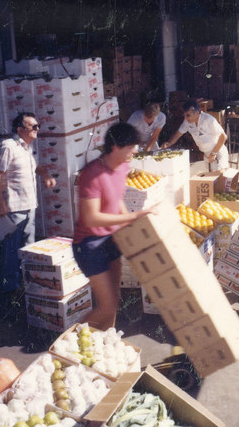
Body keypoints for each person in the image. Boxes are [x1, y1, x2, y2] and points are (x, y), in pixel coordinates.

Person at [72, 122, 153, 330]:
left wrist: (128, 224)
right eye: (131, 146)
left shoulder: (122, 167)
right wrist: (133, 217)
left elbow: (117, 199)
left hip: (111, 240)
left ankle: (105, 340)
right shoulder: (92, 174)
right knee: (106, 306)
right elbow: (91, 218)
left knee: (113, 302)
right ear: (115, 147)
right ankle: (67, 342)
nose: (135, 151)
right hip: (90, 245)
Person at [0, 112, 55, 292]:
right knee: (11, 250)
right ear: (19, 129)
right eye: (33, 126)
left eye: (38, 126)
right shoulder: (8, 147)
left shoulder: (27, 148)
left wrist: (46, 176)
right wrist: (1, 204)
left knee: (29, 248)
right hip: (13, 209)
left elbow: (34, 166)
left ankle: (28, 284)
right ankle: (9, 288)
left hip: (30, 205)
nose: (37, 129)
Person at [163, 98, 229, 170]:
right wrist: (168, 143)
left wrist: (214, 153)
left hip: (218, 152)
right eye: (184, 115)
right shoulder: (187, 122)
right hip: (207, 154)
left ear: (197, 113)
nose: (185, 118)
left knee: (220, 175)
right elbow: (178, 134)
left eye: (188, 115)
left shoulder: (208, 119)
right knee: (209, 176)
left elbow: (223, 136)